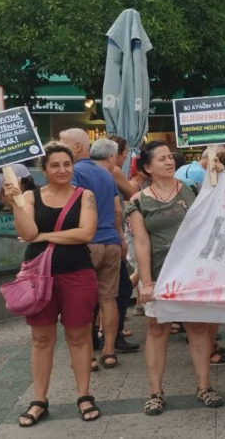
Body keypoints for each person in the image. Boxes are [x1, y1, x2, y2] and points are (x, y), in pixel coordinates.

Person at [3, 141, 101, 425]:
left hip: (77, 273)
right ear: (44, 169)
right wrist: (15, 204)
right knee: (41, 339)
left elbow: (86, 233)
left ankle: (84, 395)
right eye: (55, 165)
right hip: (38, 276)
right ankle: (39, 400)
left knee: (79, 336)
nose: (62, 170)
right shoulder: (30, 196)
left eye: (67, 164)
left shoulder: (85, 195)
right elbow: (28, 232)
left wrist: (45, 237)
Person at [127, 141, 223, 414]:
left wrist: (219, 172)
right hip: (159, 274)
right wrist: (146, 282)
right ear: (148, 167)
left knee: (197, 328)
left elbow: (219, 204)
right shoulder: (138, 201)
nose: (169, 162)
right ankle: (155, 392)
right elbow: (141, 244)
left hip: (192, 274)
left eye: (170, 157)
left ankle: (204, 386)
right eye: (161, 159)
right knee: (157, 330)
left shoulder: (193, 189)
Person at [60, 129, 125, 370]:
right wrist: (120, 238)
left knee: (83, 302)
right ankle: (109, 351)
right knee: (108, 299)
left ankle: (88, 356)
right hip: (110, 243)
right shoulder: (107, 173)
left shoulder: (74, 173)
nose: (60, 147)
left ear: (77, 147)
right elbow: (117, 209)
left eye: (63, 143)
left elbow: (69, 204)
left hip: (86, 244)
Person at [89, 139, 140, 354]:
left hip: (86, 239)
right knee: (115, 292)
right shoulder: (111, 172)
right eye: (124, 152)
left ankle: (92, 340)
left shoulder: (79, 171)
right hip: (108, 238)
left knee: (92, 294)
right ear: (112, 156)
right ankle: (112, 342)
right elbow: (126, 200)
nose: (126, 156)